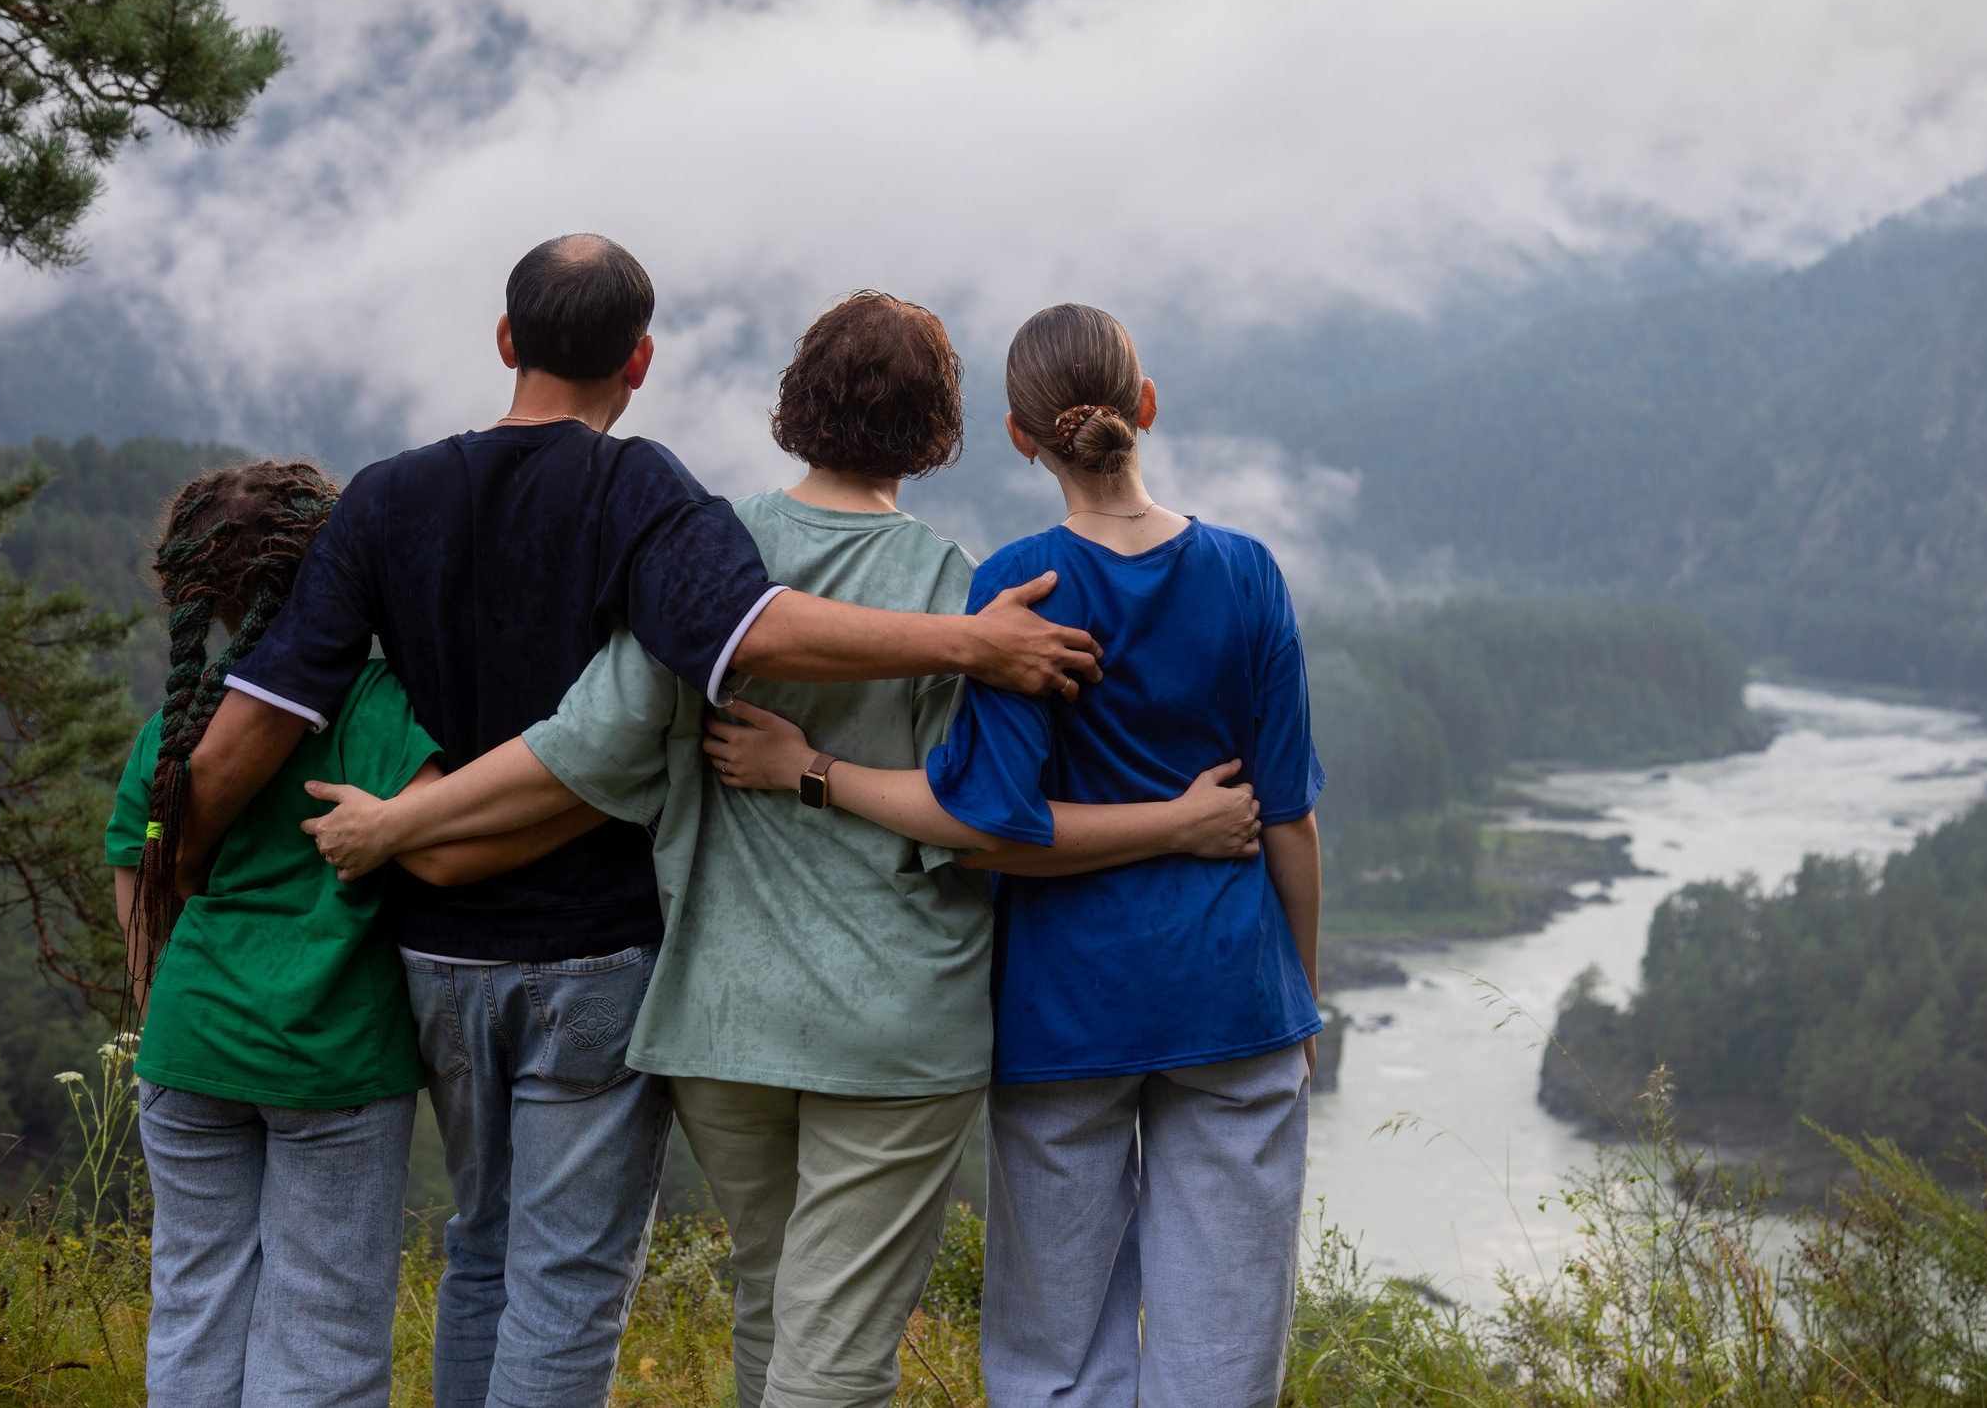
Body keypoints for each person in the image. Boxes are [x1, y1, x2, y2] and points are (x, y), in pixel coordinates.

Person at [168, 239, 1107, 1408]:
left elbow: (305, 714)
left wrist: (208, 864)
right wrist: (960, 662)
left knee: (515, 1252)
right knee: (639, 1300)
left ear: (506, 340)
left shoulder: (458, 504)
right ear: (641, 361)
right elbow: (921, 785)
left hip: (557, 978)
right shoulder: (699, 513)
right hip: (706, 977)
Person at [701, 302, 1324, 1408]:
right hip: (1235, 992)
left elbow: (991, 825)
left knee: (1055, 1358)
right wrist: (1300, 996)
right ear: (1146, 405)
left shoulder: (1016, 587)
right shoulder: (1248, 571)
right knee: (1224, 1353)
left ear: (1019, 436)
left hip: (1063, 1009)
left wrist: (812, 769)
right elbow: (1288, 821)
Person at [107, 461, 589, 1408]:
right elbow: (440, 843)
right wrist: (586, 804)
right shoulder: (369, 706)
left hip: (187, 1050)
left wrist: (174, 1012)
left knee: (194, 1306)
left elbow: (140, 891)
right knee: (322, 1326)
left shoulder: (176, 729)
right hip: (334, 1059)